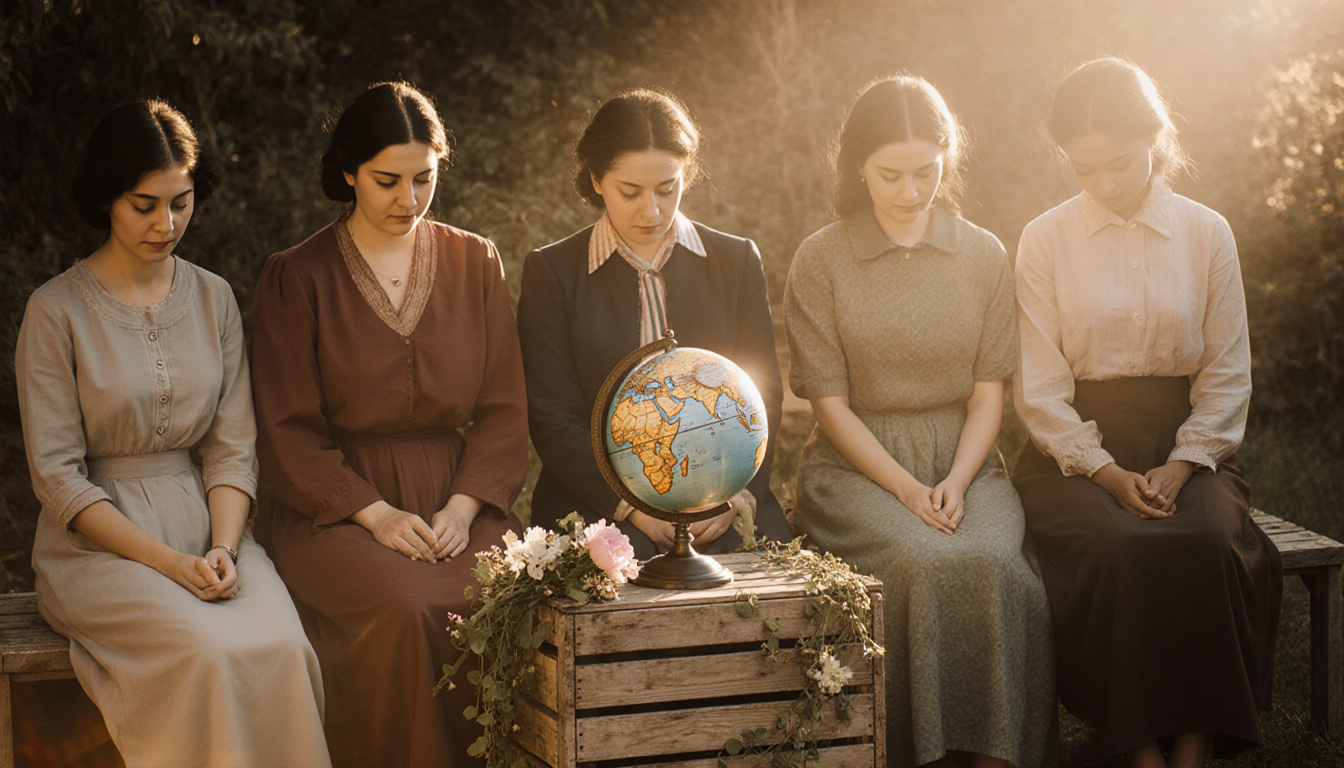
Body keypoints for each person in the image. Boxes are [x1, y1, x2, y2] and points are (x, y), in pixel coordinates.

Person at [16, 99, 330, 768]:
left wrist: (221, 547)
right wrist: (170, 566)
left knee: (282, 649)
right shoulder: (54, 311)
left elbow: (231, 448)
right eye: (144, 204)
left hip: (209, 526)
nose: (166, 223)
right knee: (206, 653)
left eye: (181, 202)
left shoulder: (214, 296)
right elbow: (58, 479)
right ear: (106, 198)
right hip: (96, 548)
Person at [1012, 57, 1282, 768]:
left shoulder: (1206, 232)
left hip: (1189, 446)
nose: (1103, 185)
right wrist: (1103, 472)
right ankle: (1139, 752)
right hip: (1072, 453)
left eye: (1119, 165)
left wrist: (1185, 460)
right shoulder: (1044, 239)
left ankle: (1190, 751)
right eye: (1084, 170)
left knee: (1206, 546)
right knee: (1122, 549)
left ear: (1156, 138)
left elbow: (1227, 373)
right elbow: (1039, 390)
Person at [250, 81, 528, 768]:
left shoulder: (475, 260)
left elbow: (503, 409)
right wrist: (374, 517)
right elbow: (286, 431)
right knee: (405, 609)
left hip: (454, 494)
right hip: (334, 508)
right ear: (347, 172)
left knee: (508, 595)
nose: (408, 199)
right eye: (387, 181)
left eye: (424, 179)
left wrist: (464, 509)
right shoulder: (296, 276)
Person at [784, 75, 1054, 768]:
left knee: (995, 564)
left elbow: (988, 394)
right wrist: (907, 489)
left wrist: (959, 480)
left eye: (926, 172)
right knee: (923, 560)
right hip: (857, 468)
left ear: (948, 158)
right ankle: (914, 752)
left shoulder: (985, 254)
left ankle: (997, 754)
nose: (910, 191)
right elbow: (830, 405)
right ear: (856, 168)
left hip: (965, 460)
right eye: (890, 175)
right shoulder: (822, 258)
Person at [517, 88, 791, 559]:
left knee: (792, 601)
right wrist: (628, 507)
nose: (652, 211)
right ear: (596, 179)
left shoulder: (736, 260)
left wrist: (735, 497)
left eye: (668, 188)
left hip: (720, 494)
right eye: (630, 191)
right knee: (626, 585)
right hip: (595, 502)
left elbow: (761, 392)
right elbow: (551, 416)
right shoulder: (553, 272)